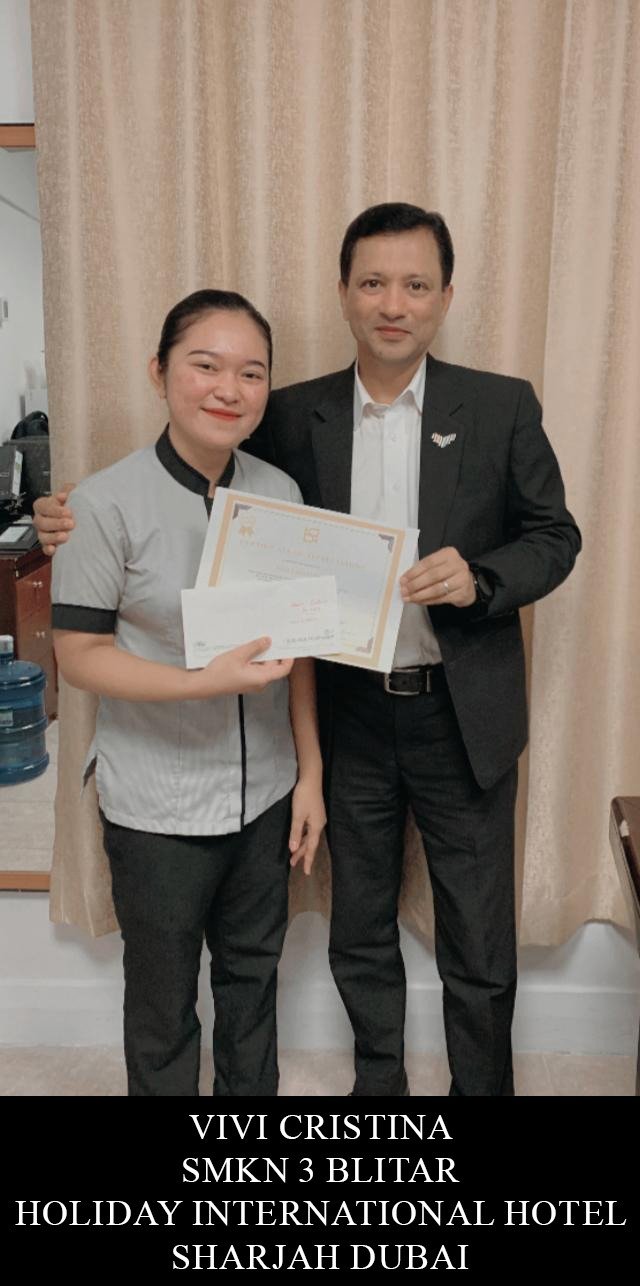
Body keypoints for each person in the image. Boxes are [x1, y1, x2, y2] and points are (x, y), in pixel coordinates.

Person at [37, 204, 581, 1097]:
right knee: (357, 931)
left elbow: (556, 537)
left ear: (446, 297)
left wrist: (481, 578)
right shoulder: (289, 413)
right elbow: (190, 466)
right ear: (343, 293)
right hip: (347, 714)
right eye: (374, 283)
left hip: (463, 718)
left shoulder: (500, 405)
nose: (393, 303)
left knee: (480, 943)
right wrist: (69, 511)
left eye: (415, 284)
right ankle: (379, 1096)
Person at [49, 289, 326, 1097]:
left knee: (253, 983)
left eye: (251, 372)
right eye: (205, 365)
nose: (228, 389)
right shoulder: (101, 504)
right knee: (163, 1006)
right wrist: (199, 682)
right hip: (156, 805)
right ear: (159, 372)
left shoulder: (280, 494)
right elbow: (79, 655)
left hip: (265, 793)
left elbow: (297, 649)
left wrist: (310, 774)